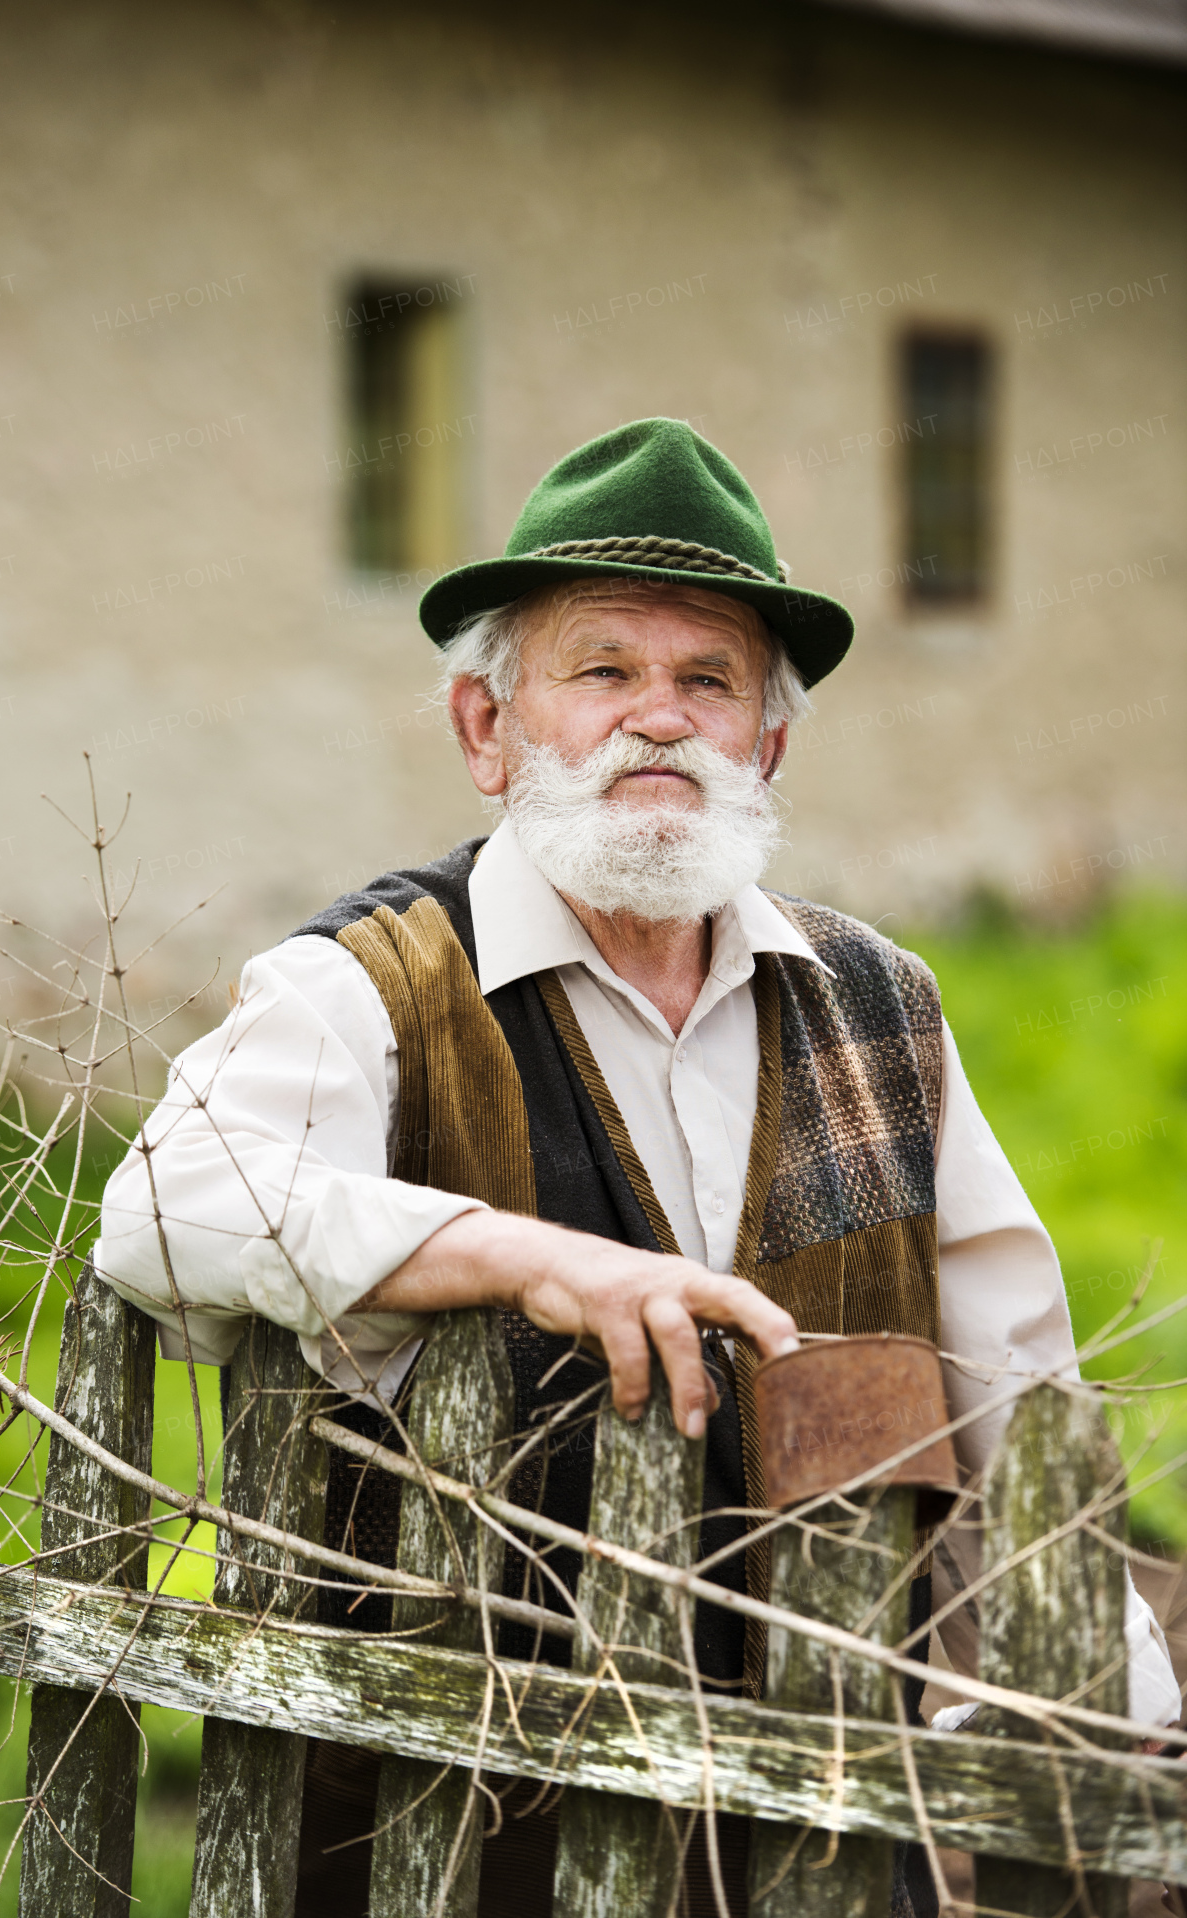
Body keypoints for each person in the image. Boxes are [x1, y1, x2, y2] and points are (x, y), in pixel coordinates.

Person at [97, 418, 1179, 1916]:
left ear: (767, 746)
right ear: (489, 727)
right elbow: (165, 1201)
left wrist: (1132, 1710)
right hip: (468, 1833)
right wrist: (526, 1254)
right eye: (601, 670)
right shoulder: (376, 985)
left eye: (707, 680)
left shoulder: (884, 1008)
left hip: (828, 1830)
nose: (656, 720)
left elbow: (1022, 1405)